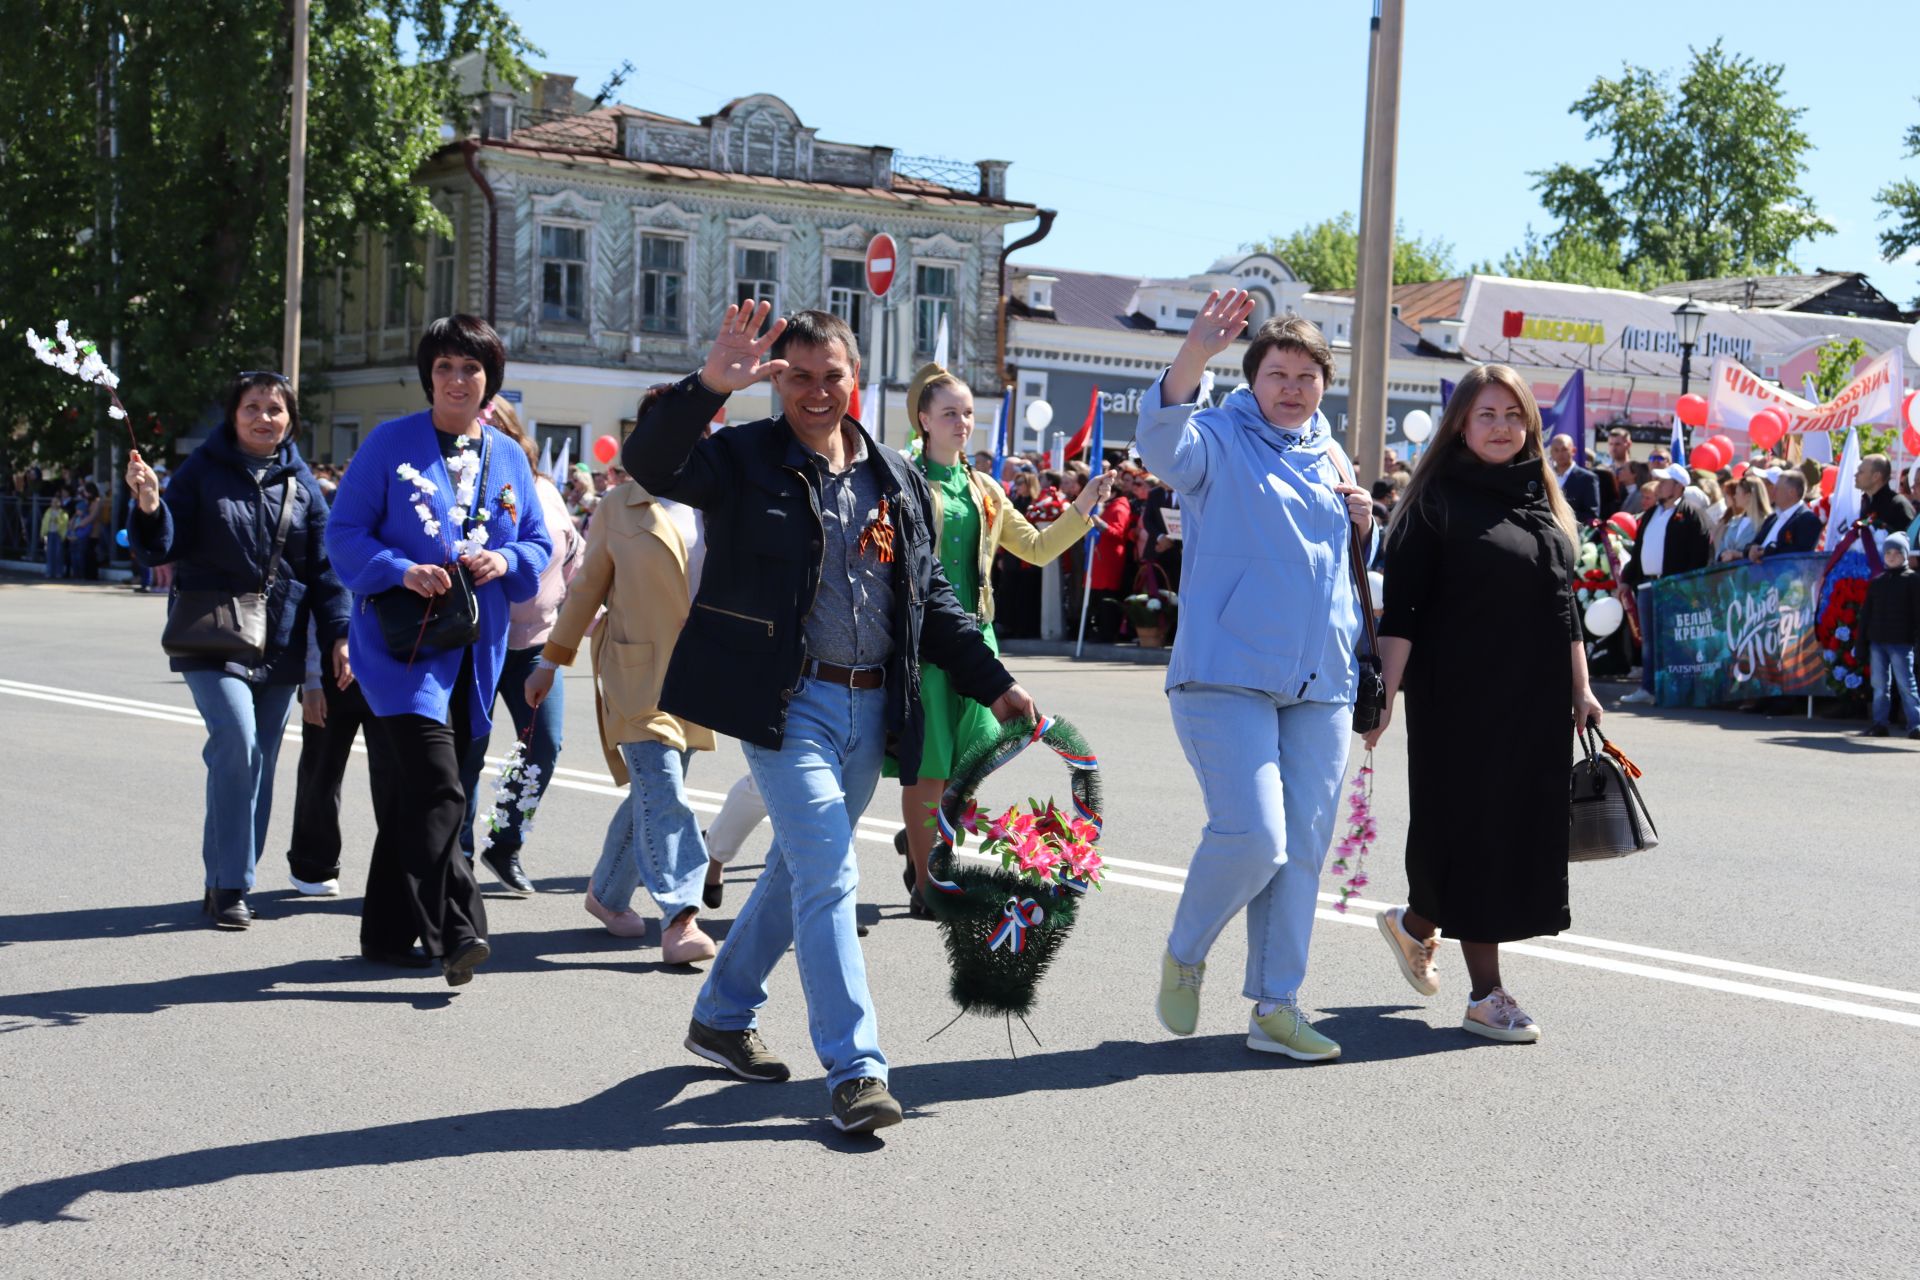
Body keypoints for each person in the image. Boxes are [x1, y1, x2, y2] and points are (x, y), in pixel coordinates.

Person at [623, 303, 1037, 1134]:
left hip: (872, 703)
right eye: (799, 376)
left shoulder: (894, 476)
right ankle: (856, 1068)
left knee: (795, 876)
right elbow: (653, 463)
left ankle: (722, 1015)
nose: (817, 392)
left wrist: (994, 681)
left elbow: (931, 596)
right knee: (831, 874)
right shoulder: (741, 457)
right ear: (779, 381)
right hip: (785, 702)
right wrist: (711, 386)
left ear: (857, 379)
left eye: (832, 376)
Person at [1136, 295, 1373, 1063]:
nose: (1294, 388)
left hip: (1321, 681)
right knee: (1255, 836)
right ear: (1254, 379)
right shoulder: (1216, 438)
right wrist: (1192, 356)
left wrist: (1369, 524)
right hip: (1226, 673)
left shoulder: (1333, 454)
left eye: (1308, 376)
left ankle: (1276, 1007)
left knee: (1300, 847)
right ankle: (1187, 950)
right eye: (1279, 374)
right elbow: (1162, 450)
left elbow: (1340, 573)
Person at [1368, 362, 1599, 1043]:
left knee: (1511, 835)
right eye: (1485, 416)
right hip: (1458, 704)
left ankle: (1414, 926)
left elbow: (1566, 612)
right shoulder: (1434, 501)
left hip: (1535, 704)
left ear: (1529, 422)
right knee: (1475, 837)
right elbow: (1402, 614)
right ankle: (1486, 995)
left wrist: (1582, 689)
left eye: (1511, 415)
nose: (1500, 428)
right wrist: (1382, 697)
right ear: (1460, 425)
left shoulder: (1542, 503)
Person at [326, 315, 553, 984]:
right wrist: (400, 568)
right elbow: (345, 533)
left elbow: (538, 545)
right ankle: (458, 929)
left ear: (490, 380)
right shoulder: (390, 443)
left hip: (474, 650)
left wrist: (503, 556)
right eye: (446, 367)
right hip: (402, 649)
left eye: (471, 369)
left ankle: (387, 933)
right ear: (429, 375)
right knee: (440, 787)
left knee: (412, 796)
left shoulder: (508, 456)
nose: (458, 380)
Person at [125, 371, 350, 929]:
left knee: (262, 762)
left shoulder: (303, 485)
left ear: (290, 420)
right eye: (252, 407)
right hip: (211, 634)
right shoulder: (201, 471)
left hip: (280, 640)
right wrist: (151, 506)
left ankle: (224, 877)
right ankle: (230, 885)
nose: (263, 418)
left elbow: (325, 572)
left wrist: (339, 634)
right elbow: (163, 543)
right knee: (238, 741)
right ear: (233, 415)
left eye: (275, 409)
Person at [890, 362, 1110, 915]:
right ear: (923, 420)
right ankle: (925, 881)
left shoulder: (985, 489)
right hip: (927, 644)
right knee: (931, 762)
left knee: (971, 760)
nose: (963, 422)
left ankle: (921, 839)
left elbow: (1035, 548)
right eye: (950, 413)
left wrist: (1083, 508)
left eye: (967, 413)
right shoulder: (905, 482)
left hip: (978, 641)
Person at [526, 390, 718, 961]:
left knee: (656, 792)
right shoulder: (617, 505)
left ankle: (607, 894)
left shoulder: (720, 502)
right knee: (666, 793)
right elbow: (585, 591)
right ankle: (681, 917)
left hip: (696, 672)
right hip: (634, 667)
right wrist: (549, 661)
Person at [456, 400, 585, 895]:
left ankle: (505, 843)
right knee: (469, 752)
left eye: (496, 432)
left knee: (544, 744)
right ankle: (459, 857)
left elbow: (572, 557)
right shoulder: (467, 491)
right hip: (478, 643)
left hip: (537, 645)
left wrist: (587, 615)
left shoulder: (547, 491)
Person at [281, 614, 376, 897]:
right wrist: (311, 682)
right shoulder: (334, 567)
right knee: (321, 770)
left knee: (393, 780)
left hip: (389, 665)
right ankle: (313, 864)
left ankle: (397, 874)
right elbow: (315, 609)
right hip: (331, 670)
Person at [1620, 464, 1713, 705]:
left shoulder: (1692, 514)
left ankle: (1677, 689)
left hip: (1675, 587)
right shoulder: (1652, 514)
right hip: (1648, 586)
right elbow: (1640, 549)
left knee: (1676, 641)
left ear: (1678, 487)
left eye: (1665, 482)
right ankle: (1649, 688)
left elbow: (1700, 553)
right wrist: (1626, 580)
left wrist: (1688, 585)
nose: (1659, 486)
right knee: (1649, 641)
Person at [1857, 532, 1920, 738]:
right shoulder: (1877, 582)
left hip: (1902, 642)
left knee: (1906, 683)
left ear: (1905, 555)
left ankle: (1915, 723)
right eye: (1888, 553)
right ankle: (1880, 723)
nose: (1892, 556)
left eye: (1896, 552)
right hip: (1878, 642)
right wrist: (1861, 643)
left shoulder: (1912, 581)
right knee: (1879, 685)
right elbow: (1866, 615)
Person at [1750, 471, 1822, 559]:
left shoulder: (1808, 520)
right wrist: (1750, 550)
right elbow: (1755, 542)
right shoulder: (1772, 518)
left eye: (1777, 488)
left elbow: (1801, 553)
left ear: (1791, 492)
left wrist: (1767, 551)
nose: (1773, 492)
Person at [1715, 472, 1772, 562]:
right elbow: (1720, 549)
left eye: (1737, 493)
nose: (1734, 496)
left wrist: (1738, 555)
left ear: (1748, 496)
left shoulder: (1766, 522)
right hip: (1729, 573)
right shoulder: (1734, 520)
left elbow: (1763, 552)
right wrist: (1723, 555)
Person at [1547, 432, 1601, 528]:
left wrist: (1561, 516)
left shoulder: (1588, 478)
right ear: (1551, 452)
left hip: (1575, 535)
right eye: (1556, 450)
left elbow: (1592, 515)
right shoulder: (1546, 477)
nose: (1560, 454)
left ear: (1573, 451)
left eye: (1564, 449)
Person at [1857, 454, 1916, 535]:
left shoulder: (1898, 505)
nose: (1855, 475)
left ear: (1876, 476)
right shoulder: (1864, 502)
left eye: (1861, 472)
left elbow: (1908, 541)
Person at [40, 488, 69, 578]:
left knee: (58, 553)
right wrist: (42, 533)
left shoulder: (62, 513)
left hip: (58, 534)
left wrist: (58, 521)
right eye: (53, 502)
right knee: (49, 553)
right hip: (50, 533)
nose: (54, 503)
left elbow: (64, 523)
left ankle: (58, 572)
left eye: (56, 502)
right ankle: (49, 571)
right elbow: (44, 522)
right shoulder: (48, 512)